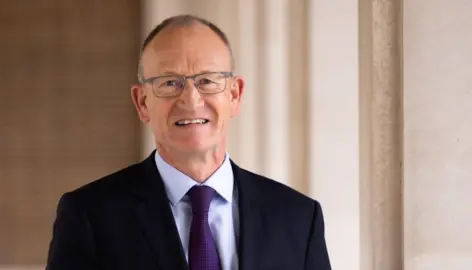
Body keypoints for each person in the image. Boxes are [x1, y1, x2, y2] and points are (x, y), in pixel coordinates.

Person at [46, 14, 331, 270]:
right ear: (142, 102)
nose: (191, 100)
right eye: (170, 83)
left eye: (207, 81)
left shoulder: (298, 218)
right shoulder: (90, 216)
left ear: (234, 95)